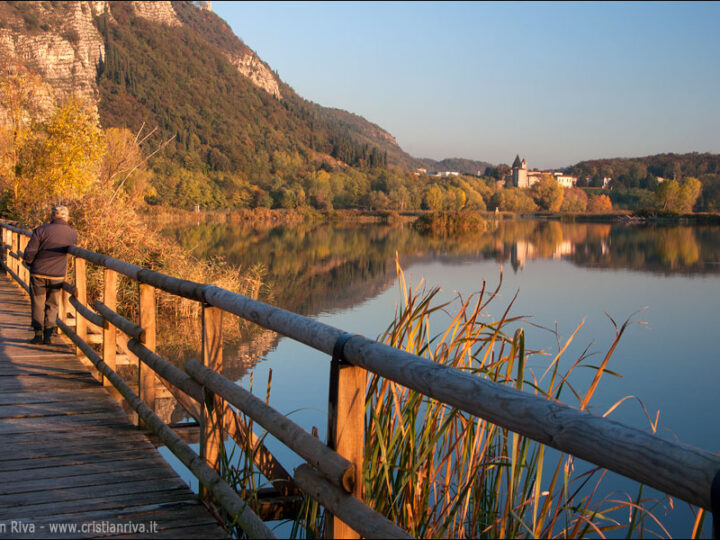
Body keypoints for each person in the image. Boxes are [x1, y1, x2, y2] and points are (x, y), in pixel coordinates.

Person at [23, 205, 78, 344]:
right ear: (67, 217)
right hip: (57, 274)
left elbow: (30, 251)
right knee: (53, 304)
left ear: (52, 216)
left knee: (38, 302)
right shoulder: (72, 233)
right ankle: (48, 336)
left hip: (38, 273)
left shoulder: (40, 230)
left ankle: (37, 334)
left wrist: (29, 262)